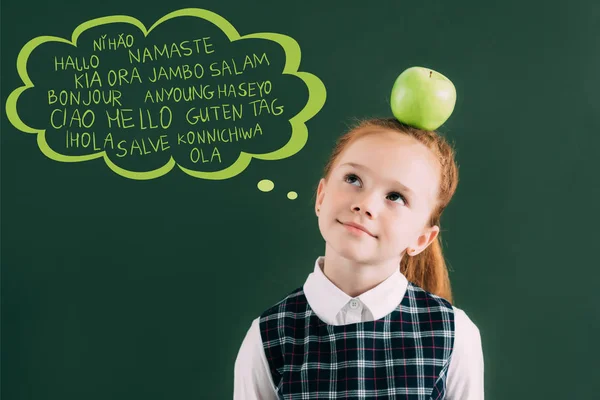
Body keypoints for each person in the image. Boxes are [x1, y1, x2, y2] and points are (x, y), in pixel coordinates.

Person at [234, 117, 484, 399]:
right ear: (321, 196)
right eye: (353, 179)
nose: (365, 204)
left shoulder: (454, 335)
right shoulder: (268, 337)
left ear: (421, 239)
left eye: (395, 196)